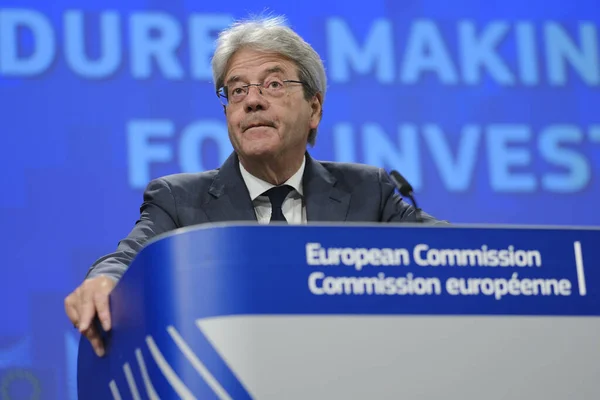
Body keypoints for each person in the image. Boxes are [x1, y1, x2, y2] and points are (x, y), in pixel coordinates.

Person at [64, 15, 447, 357]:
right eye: (237, 91)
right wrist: (105, 280)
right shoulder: (179, 200)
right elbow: (128, 257)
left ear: (314, 108)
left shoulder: (369, 191)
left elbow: (451, 253)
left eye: (273, 84)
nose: (252, 102)